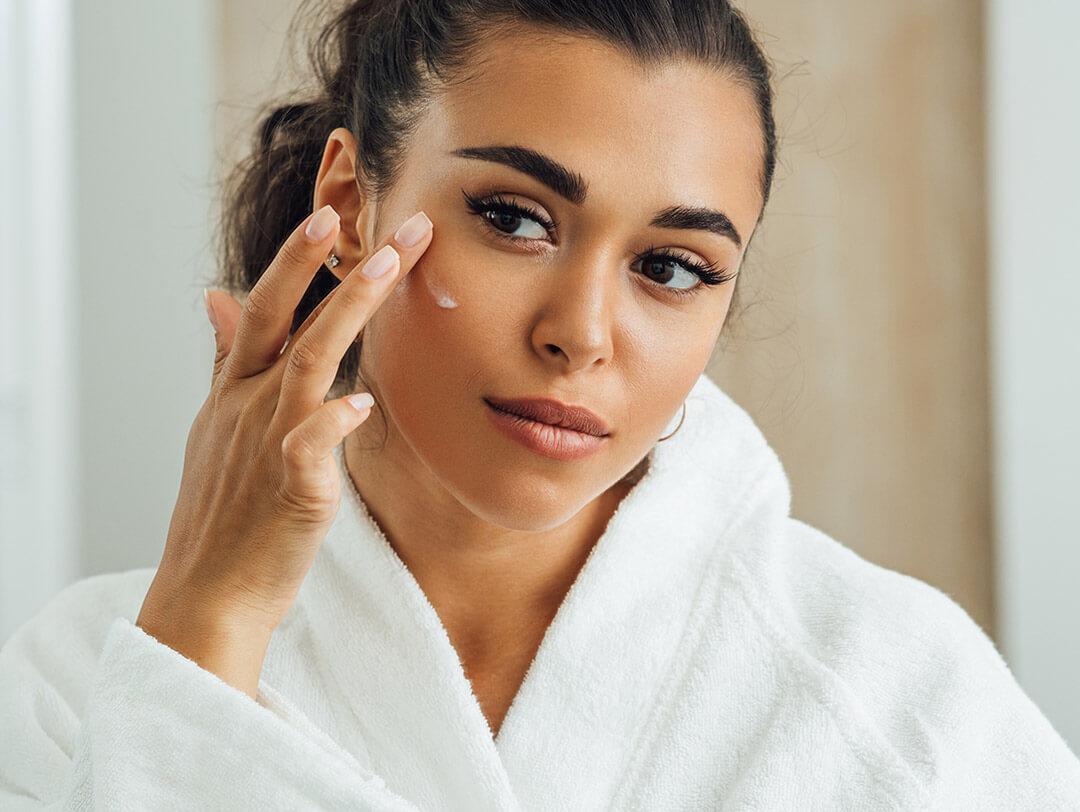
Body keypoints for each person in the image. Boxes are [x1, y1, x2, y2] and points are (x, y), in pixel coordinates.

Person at [3, 0, 1079, 808]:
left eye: (673, 265)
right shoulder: (83, 674)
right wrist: (208, 627)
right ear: (351, 204)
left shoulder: (905, 703)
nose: (584, 331)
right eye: (515, 217)